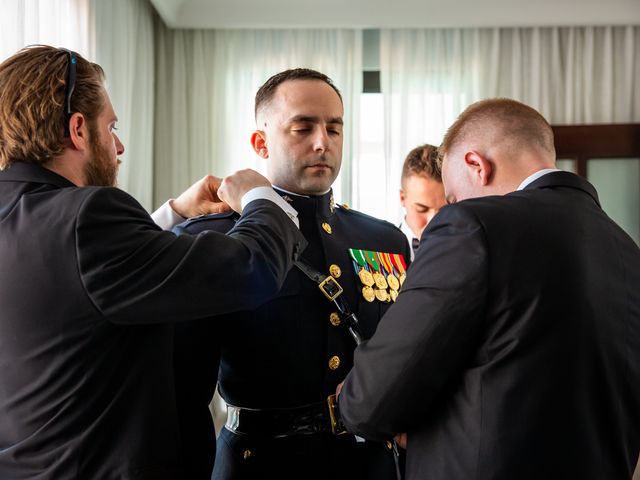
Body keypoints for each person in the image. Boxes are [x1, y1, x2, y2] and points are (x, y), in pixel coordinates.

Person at [0, 45, 306, 479]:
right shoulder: (89, 217)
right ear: (78, 130)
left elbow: (81, 282)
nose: (119, 145)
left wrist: (173, 215)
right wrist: (261, 197)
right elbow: (249, 268)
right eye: (112, 126)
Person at [337, 98, 640, 479]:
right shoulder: (627, 250)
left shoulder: (472, 226)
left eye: (450, 198)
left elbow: (370, 402)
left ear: (476, 166)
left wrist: (354, 396)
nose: (449, 209)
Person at [173, 68, 411, 479]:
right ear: (261, 143)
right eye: (302, 128)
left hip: (367, 465)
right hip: (260, 463)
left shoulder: (383, 240)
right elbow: (180, 396)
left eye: (334, 129)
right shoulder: (215, 239)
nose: (322, 142)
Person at [398, 143, 446, 259]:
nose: (433, 222)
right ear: (402, 198)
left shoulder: (466, 250)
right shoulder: (379, 246)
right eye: (422, 209)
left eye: (444, 210)